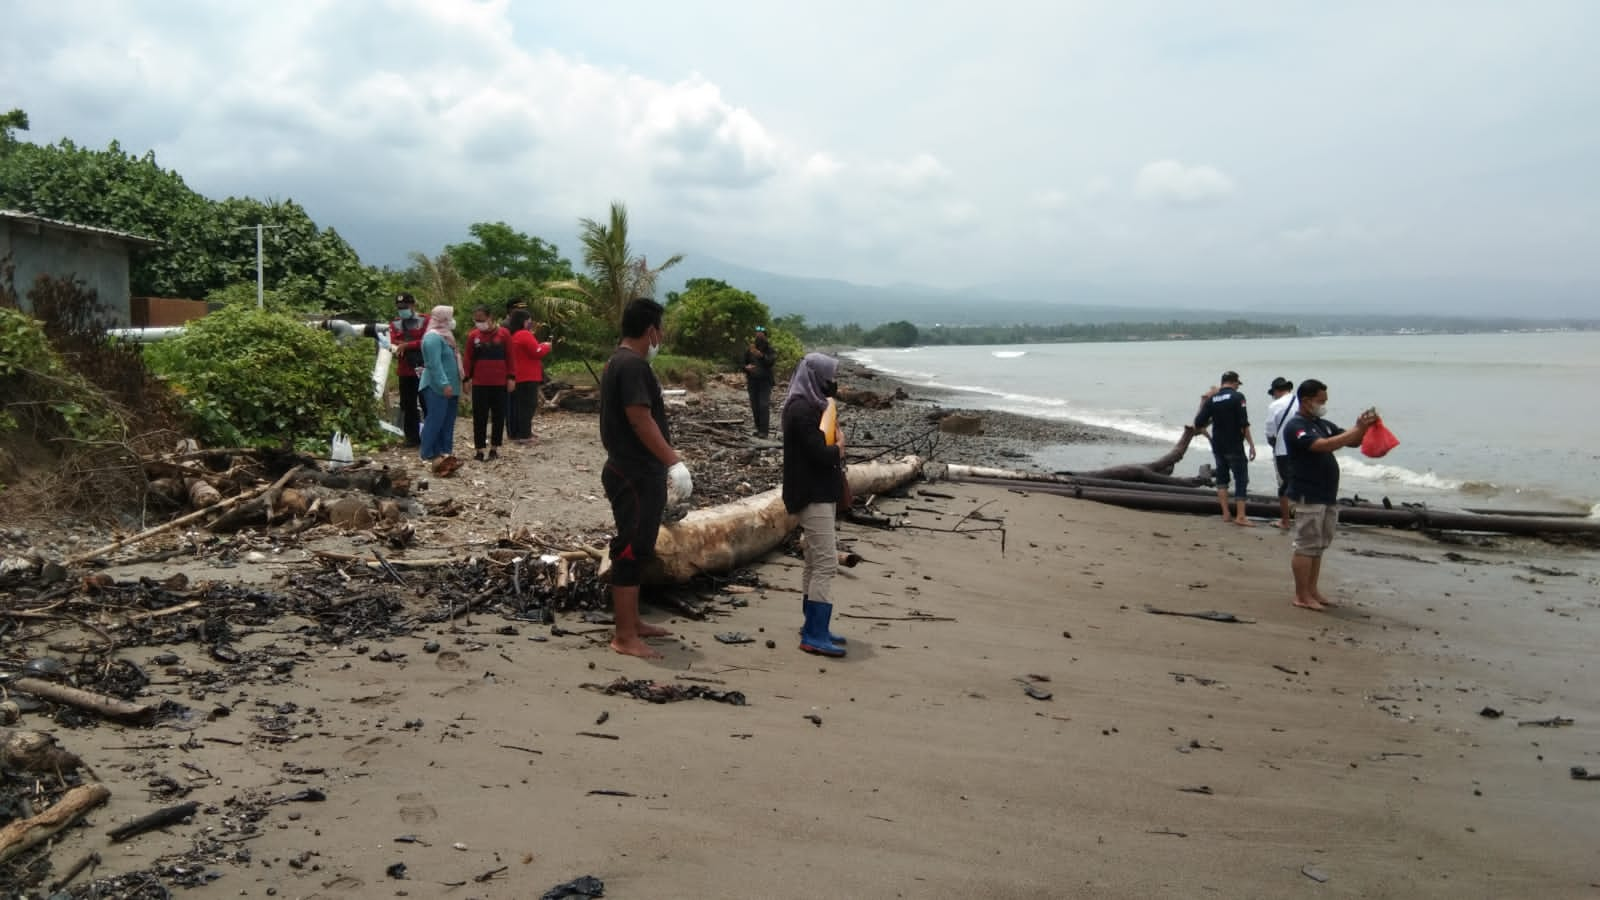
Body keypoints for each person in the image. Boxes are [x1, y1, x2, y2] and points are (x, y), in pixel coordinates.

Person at [599, 298, 693, 659]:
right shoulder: (633, 366)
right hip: (633, 470)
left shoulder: (617, 362)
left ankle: (633, 622)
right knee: (630, 548)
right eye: (661, 329)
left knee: (639, 545)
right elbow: (640, 419)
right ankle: (624, 635)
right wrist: (674, 462)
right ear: (651, 330)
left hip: (631, 468)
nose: (662, 337)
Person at [1283, 378, 1380, 612]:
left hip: (1326, 494)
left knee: (1319, 544)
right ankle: (1301, 594)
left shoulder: (1322, 423)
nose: (1323, 404)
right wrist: (1354, 432)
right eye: (1320, 401)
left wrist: (1362, 428)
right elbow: (1321, 445)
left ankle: (1312, 589)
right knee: (1306, 544)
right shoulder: (1296, 425)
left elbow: (1352, 441)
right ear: (1306, 401)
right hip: (1307, 493)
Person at [782, 352, 848, 658]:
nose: (832, 383)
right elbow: (820, 453)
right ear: (816, 377)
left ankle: (812, 624)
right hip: (812, 494)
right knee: (825, 563)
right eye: (829, 376)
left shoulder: (809, 406)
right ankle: (814, 634)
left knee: (812, 560)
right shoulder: (802, 410)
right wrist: (838, 449)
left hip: (816, 491)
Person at [1194, 370, 1257, 525]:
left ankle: (1226, 514)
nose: (1237, 387)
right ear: (1234, 382)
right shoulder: (1238, 397)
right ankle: (1241, 516)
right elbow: (1244, 424)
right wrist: (1251, 445)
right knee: (1241, 478)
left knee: (1222, 479)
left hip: (1218, 445)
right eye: (1237, 384)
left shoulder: (1212, 399)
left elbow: (1198, 422)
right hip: (1234, 444)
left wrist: (1203, 401)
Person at [462, 305, 512, 461]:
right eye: (476, 320)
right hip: (479, 383)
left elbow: (510, 357)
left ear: (490, 318)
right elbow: (468, 358)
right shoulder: (473, 336)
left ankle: (494, 448)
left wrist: (512, 377)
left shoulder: (504, 334)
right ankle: (479, 449)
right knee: (479, 416)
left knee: (498, 416)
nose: (479, 323)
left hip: (499, 382)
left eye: (481, 320)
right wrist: (466, 378)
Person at [418, 305, 462, 477]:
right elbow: (434, 364)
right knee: (435, 419)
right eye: (449, 317)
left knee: (448, 420)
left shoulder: (446, 336)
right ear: (442, 318)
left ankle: (445, 452)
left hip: (451, 387)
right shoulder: (432, 338)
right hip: (437, 386)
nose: (452, 321)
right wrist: (444, 384)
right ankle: (428, 452)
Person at [388, 293, 429, 446]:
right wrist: (400, 345)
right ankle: (412, 438)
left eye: (405, 307)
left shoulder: (425, 320)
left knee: (427, 403)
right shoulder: (395, 324)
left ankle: (430, 435)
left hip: (422, 368)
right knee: (408, 404)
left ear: (413, 305)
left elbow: (427, 340)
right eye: (399, 308)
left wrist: (407, 345)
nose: (402, 310)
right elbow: (392, 342)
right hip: (405, 370)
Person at [506, 309, 552, 445]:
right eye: (528, 320)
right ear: (523, 321)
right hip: (528, 376)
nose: (530, 323)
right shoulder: (524, 334)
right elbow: (536, 352)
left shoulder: (513, 335)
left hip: (519, 375)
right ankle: (524, 435)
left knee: (522, 406)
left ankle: (522, 432)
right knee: (529, 405)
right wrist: (546, 346)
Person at [1264, 376, 1297, 529]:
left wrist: (1272, 443)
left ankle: (1285, 521)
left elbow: (1270, 431)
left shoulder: (1275, 405)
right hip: (1305, 448)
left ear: (1277, 391)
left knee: (1284, 486)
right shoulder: (1302, 402)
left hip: (1283, 449)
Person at [742, 326, 777, 438]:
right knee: (755, 405)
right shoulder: (750, 350)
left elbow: (770, 362)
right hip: (752, 381)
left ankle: (764, 431)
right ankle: (758, 429)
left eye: (761, 334)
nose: (758, 336)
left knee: (763, 405)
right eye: (757, 334)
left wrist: (761, 356)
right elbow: (742, 363)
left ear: (765, 337)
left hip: (765, 382)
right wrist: (746, 368)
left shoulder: (770, 350)